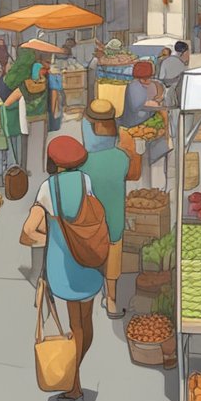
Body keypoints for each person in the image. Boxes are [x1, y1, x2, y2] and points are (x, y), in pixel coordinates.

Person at [20, 136, 104, 401]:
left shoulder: (48, 188)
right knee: (86, 324)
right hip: (89, 259)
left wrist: (53, 233)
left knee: (74, 326)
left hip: (65, 265)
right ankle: (74, 371)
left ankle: (73, 384)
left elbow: (28, 231)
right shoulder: (85, 181)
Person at [80, 99, 134, 318]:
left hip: (91, 222)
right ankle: (110, 299)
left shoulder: (83, 160)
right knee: (113, 261)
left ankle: (88, 293)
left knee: (91, 255)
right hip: (114, 221)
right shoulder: (121, 158)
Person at [4, 59, 55, 285]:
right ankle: (38, 171)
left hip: (28, 121)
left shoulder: (25, 85)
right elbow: (54, 102)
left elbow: (8, 102)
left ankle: (29, 178)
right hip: (42, 120)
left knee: (27, 151)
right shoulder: (47, 83)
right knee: (39, 149)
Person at [119, 60, 162, 129]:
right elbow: (136, 105)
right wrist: (152, 103)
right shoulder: (134, 86)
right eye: (149, 77)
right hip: (134, 122)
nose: (150, 79)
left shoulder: (149, 85)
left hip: (145, 120)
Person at [159, 41, 190, 109]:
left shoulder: (165, 62)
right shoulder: (183, 65)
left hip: (167, 94)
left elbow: (161, 78)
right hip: (179, 94)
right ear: (184, 52)